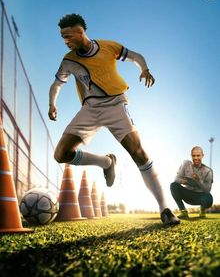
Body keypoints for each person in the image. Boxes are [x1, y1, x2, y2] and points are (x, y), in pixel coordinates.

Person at [48, 13, 180, 225]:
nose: (65, 41)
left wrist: (144, 69)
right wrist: (52, 103)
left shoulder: (109, 46)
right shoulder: (68, 61)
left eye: (68, 36)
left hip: (116, 105)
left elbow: (136, 56)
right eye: (62, 37)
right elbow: (56, 85)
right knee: (61, 154)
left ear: (80, 32)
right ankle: (107, 163)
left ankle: (165, 209)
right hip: (90, 109)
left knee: (139, 153)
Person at [170, 146, 213, 219]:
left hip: (200, 196)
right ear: (191, 156)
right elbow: (176, 179)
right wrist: (186, 181)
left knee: (209, 198)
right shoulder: (186, 163)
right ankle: (183, 211)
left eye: (198, 155)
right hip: (188, 194)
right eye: (193, 156)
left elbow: (207, 189)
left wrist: (198, 180)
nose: (196, 158)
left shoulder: (208, 171)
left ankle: (202, 211)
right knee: (173, 185)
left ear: (202, 156)